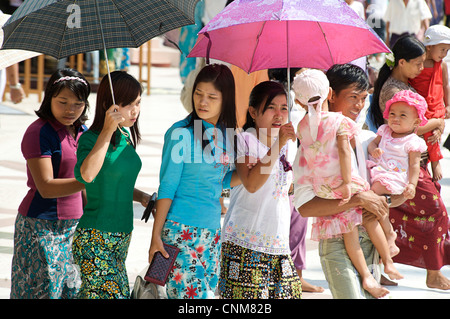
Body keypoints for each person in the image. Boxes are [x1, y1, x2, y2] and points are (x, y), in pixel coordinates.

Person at [292, 69, 402, 299]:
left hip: (370, 240)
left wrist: (383, 202)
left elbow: (392, 191)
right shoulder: (307, 146)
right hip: (336, 241)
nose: (359, 105)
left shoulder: (367, 140)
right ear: (330, 95)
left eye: (364, 98)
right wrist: (357, 199)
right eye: (353, 97)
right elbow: (305, 207)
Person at [148, 64, 238, 299]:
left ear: (225, 99)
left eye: (211, 97)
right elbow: (167, 185)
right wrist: (155, 235)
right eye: (198, 93)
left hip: (212, 235)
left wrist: (260, 170)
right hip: (179, 232)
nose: (202, 102)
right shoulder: (181, 133)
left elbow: (221, 180)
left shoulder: (227, 135)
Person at [368, 35, 450, 290]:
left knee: (389, 215)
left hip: (411, 162)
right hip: (401, 168)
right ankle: (432, 273)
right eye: (417, 63)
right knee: (436, 212)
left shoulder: (403, 83)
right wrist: (436, 124)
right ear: (401, 62)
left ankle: (380, 267)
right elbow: (406, 126)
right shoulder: (394, 90)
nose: (420, 68)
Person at [10, 69, 90, 299]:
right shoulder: (39, 132)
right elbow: (45, 186)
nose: (70, 110)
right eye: (62, 102)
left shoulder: (82, 131)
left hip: (74, 226)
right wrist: (87, 179)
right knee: (40, 291)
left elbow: (85, 189)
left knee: (71, 290)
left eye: (78, 103)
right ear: (49, 99)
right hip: (40, 227)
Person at [219, 81, 301, 299]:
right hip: (245, 244)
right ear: (253, 112)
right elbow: (252, 184)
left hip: (279, 243)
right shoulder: (244, 141)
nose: (279, 114)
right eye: (271, 107)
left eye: (284, 108)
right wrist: (279, 143)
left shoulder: (290, 144)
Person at [72, 71, 151, 299]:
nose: (134, 111)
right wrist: (106, 130)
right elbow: (87, 176)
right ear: (109, 105)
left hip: (122, 235)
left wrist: (142, 197)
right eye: (127, 105)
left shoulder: (125, 136)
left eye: (137, 103)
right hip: (95, 237)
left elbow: (116, 181)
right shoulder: (89, 139)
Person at [409, 24, 450, 181]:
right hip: (420, 104)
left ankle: (435, 161)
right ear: (429, 46)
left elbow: (445, 85)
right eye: (442, 50)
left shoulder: (442, 65)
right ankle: (432, 161)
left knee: (433, 133)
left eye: (447, 51)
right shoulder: (418, 62)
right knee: (425, 128)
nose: (445, 54)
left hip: (435, 104)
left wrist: (448, 105)